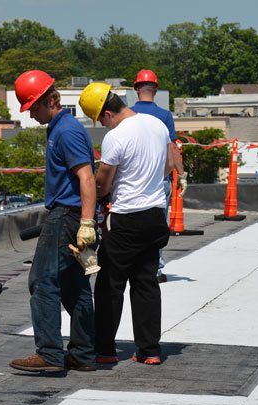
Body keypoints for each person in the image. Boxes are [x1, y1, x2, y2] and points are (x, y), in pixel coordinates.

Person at [9, 70, 97, 372]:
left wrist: (86, 222)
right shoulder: (61, 127)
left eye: (34, 107)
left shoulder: (66, 131)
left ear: (51, 100)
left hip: (66, 216)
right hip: (71, 215)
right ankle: (83, 353)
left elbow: (86, 177)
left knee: (42, 280)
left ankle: (49, 353)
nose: (32, 114)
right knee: (74, 285)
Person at [79, 82, 171, 365]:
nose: (104, 126)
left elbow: (103, 182)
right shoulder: (157, 125)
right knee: (146, 283)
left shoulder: (116, 137)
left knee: (109, 284)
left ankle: (105, 349)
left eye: (101, 121)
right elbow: (168, 164)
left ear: (107, 113)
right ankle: (150, 350)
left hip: (126, 218)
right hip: (155, 215)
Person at [130, 69, 187, 283]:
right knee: (156, 227)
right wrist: (181, 174)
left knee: (133, 225)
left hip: (133, 181)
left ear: (136, 89)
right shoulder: (163, 115)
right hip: (159, 181)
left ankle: (133, 268)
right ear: (155, 89)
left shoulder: (128, 114)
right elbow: (172, 149)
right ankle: (154, 270)